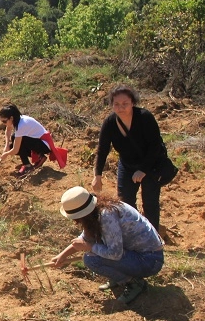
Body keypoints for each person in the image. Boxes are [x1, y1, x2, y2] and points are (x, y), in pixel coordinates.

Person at [51, 186, 164, 305]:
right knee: (94, 250)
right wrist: (62, 256)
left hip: (149, 260)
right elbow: (86, 238)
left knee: (91, 260)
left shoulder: (107, 216)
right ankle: (120, 277)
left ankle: (133, 283)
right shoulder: (98, 210)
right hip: (139, 254)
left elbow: (115, 253)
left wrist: (90, 247)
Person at [91, 84, 166, 230]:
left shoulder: (145, 117)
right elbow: (103, 149)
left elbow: (155, 146)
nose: (121, 108)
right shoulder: (110, 123)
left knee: (150, 202)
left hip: (151, 165)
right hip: (127, 165)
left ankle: (153, 238)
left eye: (125, 104)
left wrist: (143, 170)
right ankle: (133, 233)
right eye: (117, 104)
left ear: (133, 102)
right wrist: (97, 175)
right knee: (125, 203)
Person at [0, 104, 66, 175]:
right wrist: (7, 145)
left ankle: (27, 165)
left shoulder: (21, 125)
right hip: (37, 142)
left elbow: (15, 150)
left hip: (44, 145)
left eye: (4, 121)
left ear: (11, 118)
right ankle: (39, 157)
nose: (4, 124)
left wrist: (6, 154)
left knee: (17, 139)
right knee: (13, 142)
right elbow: (8, 130)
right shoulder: (17, 119)